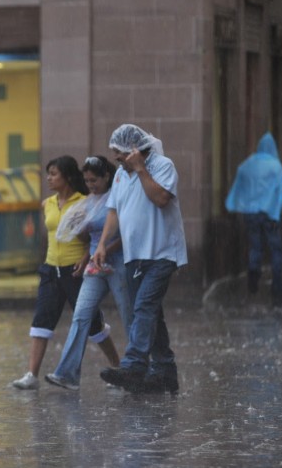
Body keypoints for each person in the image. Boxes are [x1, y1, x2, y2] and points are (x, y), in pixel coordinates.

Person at [94, 124, 188, 394]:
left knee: (144, 307)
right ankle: (164, 371)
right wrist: (102, 245)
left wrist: (140, 169)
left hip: (162, 252)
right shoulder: (121, 176)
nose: (117, 160)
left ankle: (134, 364)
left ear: (134, 151)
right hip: (134, 256)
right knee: (151, 314)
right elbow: (113, 211)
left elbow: (160, 198)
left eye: (120, 155)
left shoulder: (162, 166)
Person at [12, 155, 117, 390]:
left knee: (92, 324)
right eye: (47, 173)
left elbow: (90, 237)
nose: (48, 178)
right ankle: (31, 374)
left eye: (53, 174)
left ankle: (118, 366)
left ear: (68, 177)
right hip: (51, 269)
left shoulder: (85, 202)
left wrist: (84, 258)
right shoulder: (46, 204)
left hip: (76, 270)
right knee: (42, 319)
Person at [45, 155, 129, 390]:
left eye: (95, 181)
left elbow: (126, 235)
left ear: (106, 177)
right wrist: (78, 226)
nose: (91, 185)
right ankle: (68, 373)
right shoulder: (89, 202)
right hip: (95, 264)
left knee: (128, 313)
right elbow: (85, 237)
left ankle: (136, 367)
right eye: (87, 181)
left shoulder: (117, 198)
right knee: (81, 314)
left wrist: (105, 249)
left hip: (118, 262)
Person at [224, 132, 282, 306]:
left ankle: (253, 275)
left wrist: (237, 204)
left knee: (255, 246)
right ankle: (277, 285)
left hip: (251, 213)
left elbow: (240, 187)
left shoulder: (247, 165)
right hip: (270, 214)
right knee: (276, 249)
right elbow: (281, 193)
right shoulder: (276, 166)